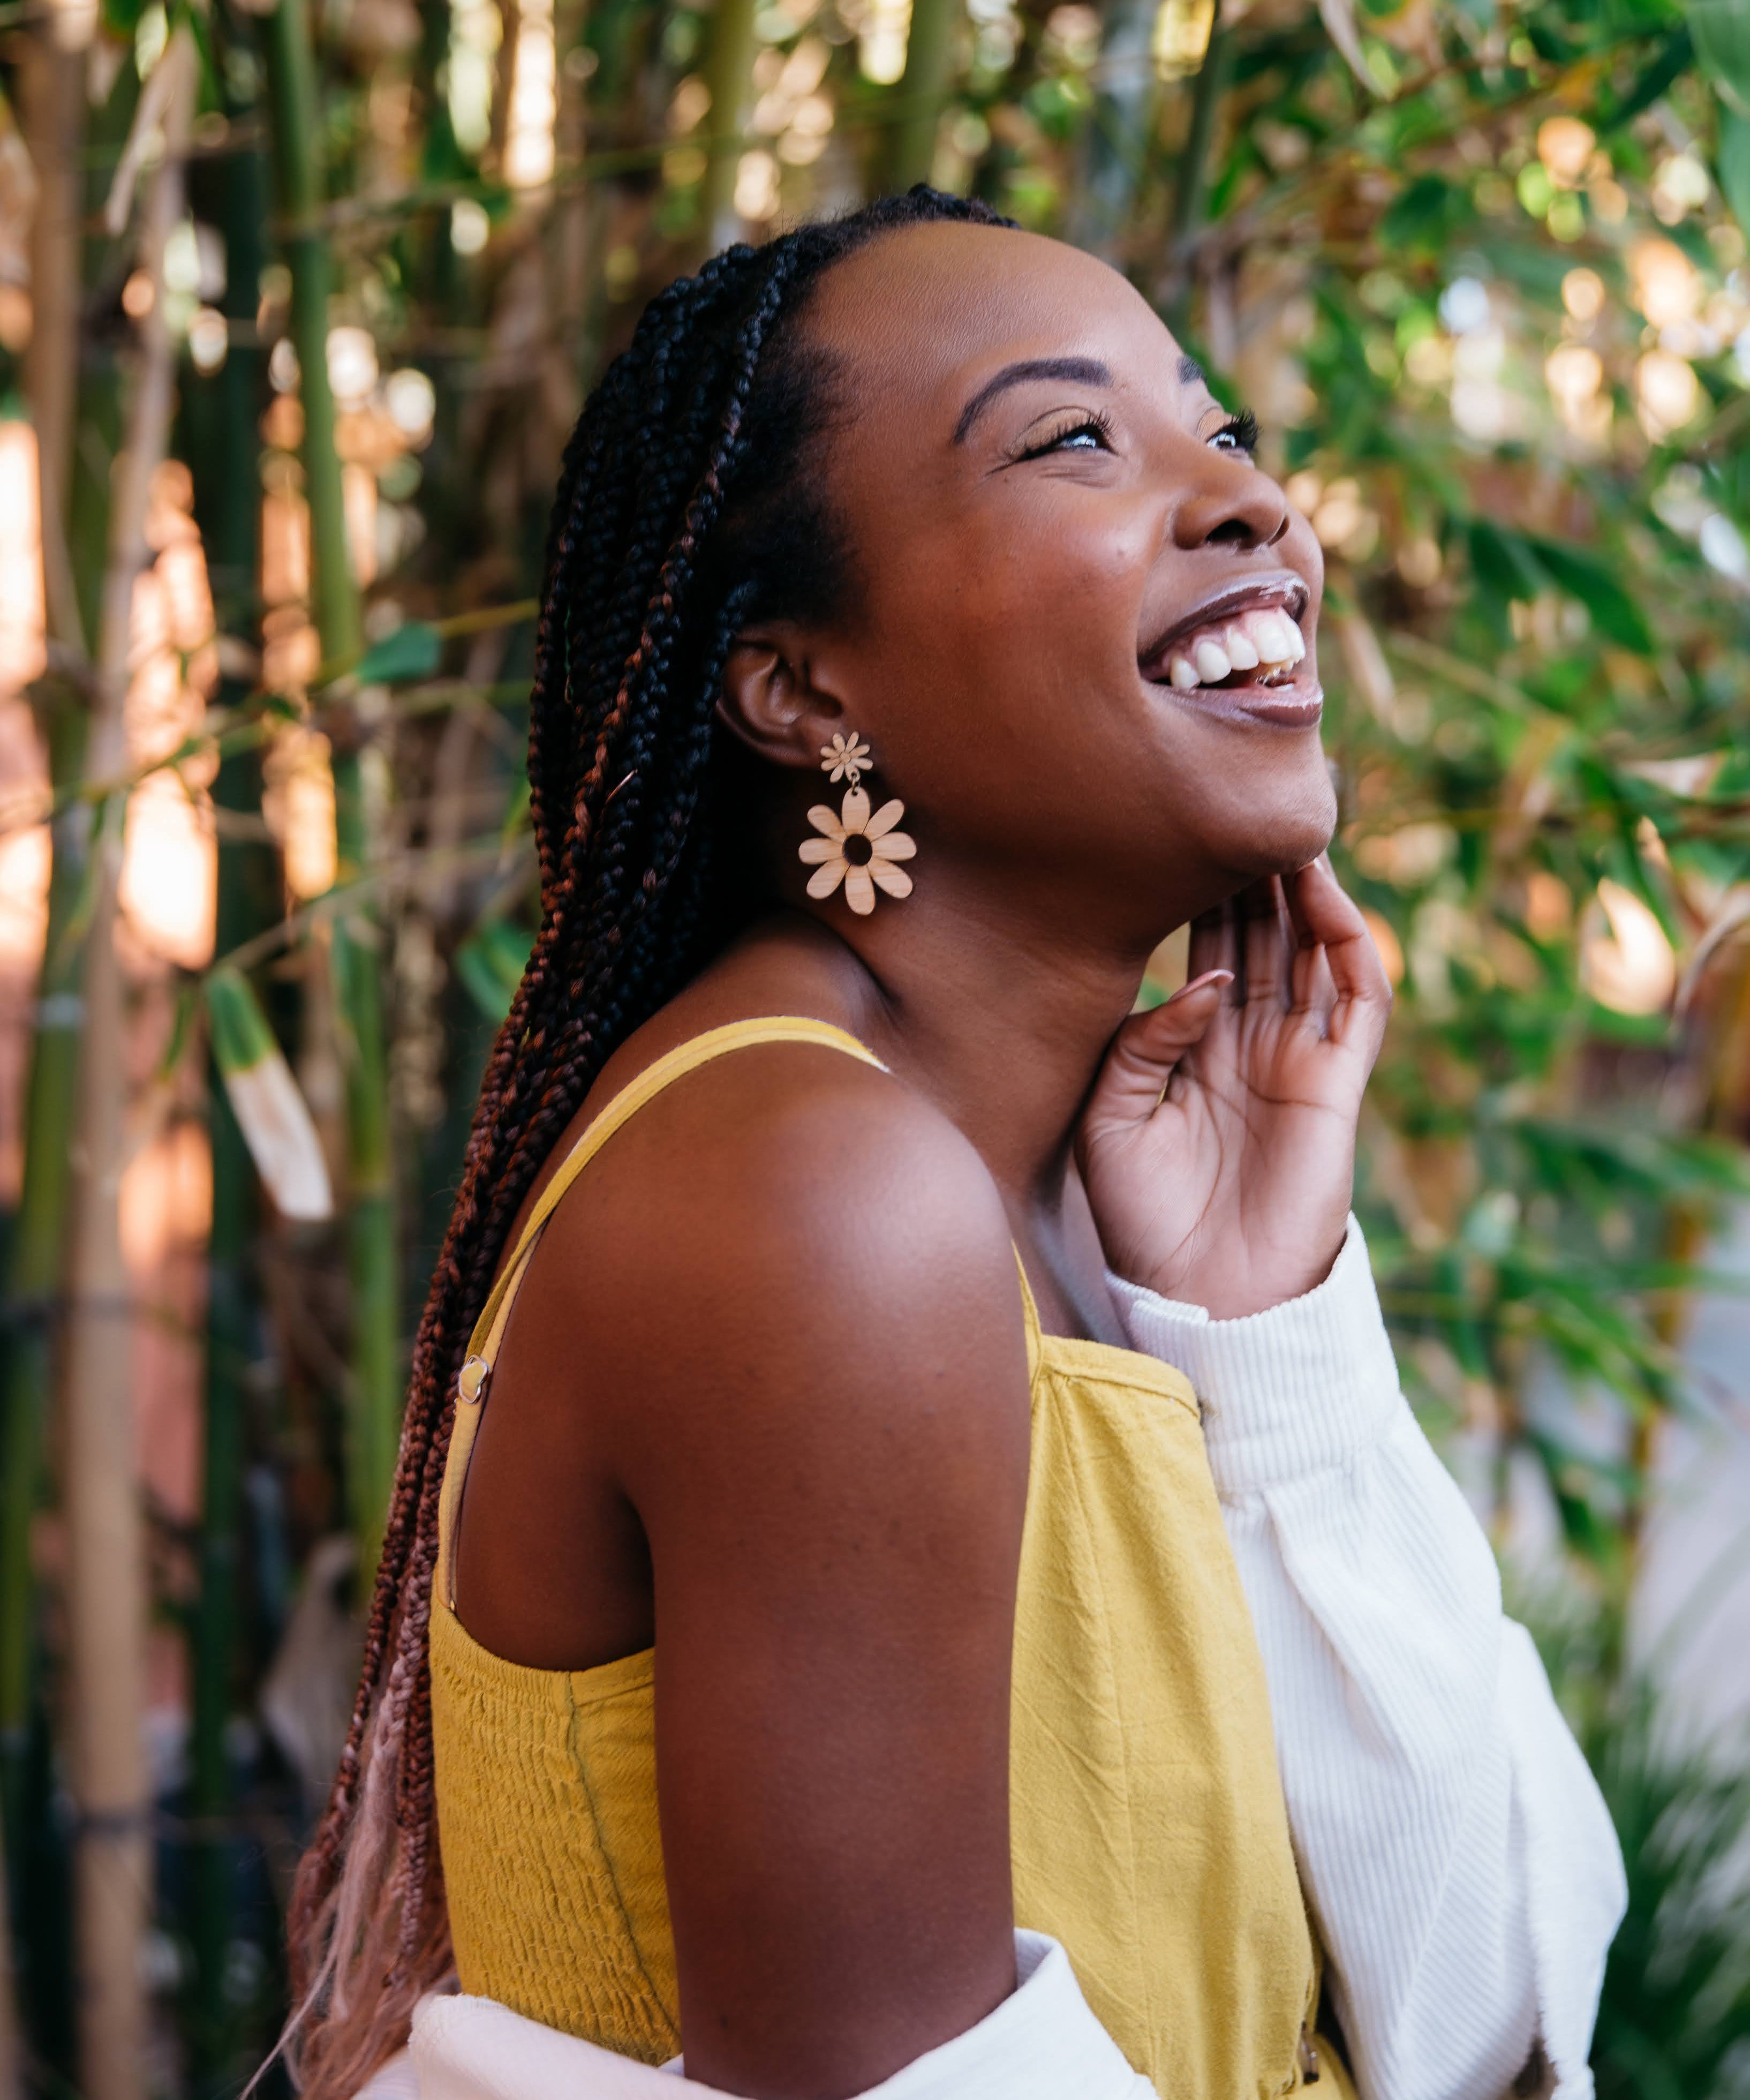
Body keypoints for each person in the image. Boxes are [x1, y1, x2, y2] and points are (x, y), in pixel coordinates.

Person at [281, 190, 1625, 2100]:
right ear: (804, 690)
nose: (1251, 501)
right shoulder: (813, 1197)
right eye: (1072, 436)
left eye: (1218, 427)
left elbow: (1487, 2006)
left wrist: (1265, 1339)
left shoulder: (1072, 1188)